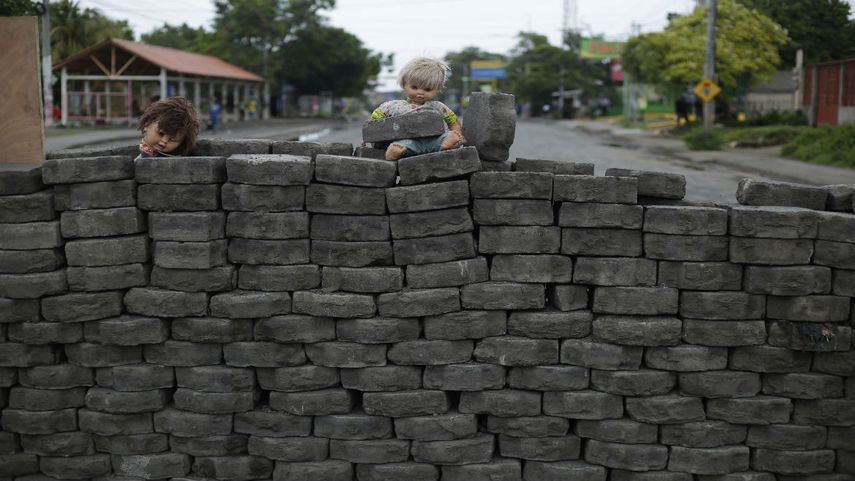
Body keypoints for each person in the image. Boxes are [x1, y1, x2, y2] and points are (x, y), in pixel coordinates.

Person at [369, 57, 465, 161]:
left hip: (435, 139)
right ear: (404, 84)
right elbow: (375, 120)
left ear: (437, 89)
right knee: (400, 145)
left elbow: (453, 121)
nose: (420, 92)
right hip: (407, 141)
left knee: (449, 137)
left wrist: (458, 133)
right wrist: (370, 136)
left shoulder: (438, 106)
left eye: (427, 89)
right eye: (414, 87)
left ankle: (445, 144)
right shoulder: (393, 106)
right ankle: (397, 150)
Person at [135, 96, 200, 160]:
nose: (163, 142)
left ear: (182, 142)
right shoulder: (132, 155)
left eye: (172, 139)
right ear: (147, 124)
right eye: (161, 133)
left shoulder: (183, 160)